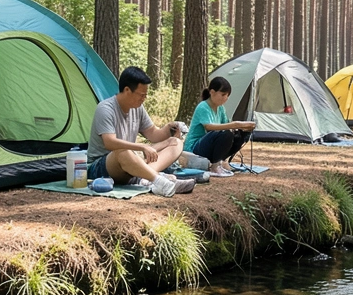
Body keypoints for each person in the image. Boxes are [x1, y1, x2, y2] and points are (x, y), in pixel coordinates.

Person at [87, 66, 196, 197]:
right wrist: (142, 146)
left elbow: (153, 135)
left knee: (175, 142)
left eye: (145, 95)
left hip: (130, 162)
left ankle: (146, 178)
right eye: (141, 95)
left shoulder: (138, 108)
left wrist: (169, 128)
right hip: (101, 167)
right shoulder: (105, 108)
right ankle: (158, 180)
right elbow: (110, 143)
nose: (144, 98)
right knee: (122, 150)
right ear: (127, 90)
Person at [184, 77, 256, 177]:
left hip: (209, 145)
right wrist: (235, 124)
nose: (226, 98)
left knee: (240, 136)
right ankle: (215, 166)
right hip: (195, 147)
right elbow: (209, 127)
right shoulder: (203, 106)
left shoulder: (221, 108)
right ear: (212, 92)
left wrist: (242, 129)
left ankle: (221, 161)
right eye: (223, 94)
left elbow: (226, 125)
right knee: (225, 135)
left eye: (227, 95)